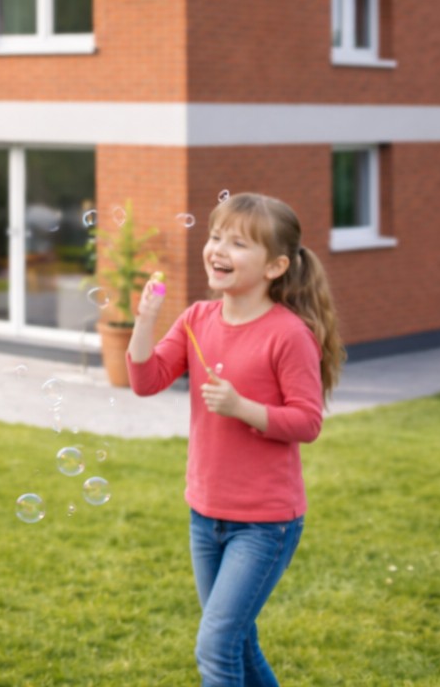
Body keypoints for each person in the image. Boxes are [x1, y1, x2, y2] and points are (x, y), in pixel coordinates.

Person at [128, 192, 344, 687]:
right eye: (215, 237)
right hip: (205, 515)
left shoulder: (288, 335)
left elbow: (307, 422)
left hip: (265, 525)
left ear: (275, 266)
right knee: (239, 643)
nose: (218, 249)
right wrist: (144, 322)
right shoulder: (197, 320)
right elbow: (145, 381)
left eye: (238, 243)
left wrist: (242, 407)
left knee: (216, 649)